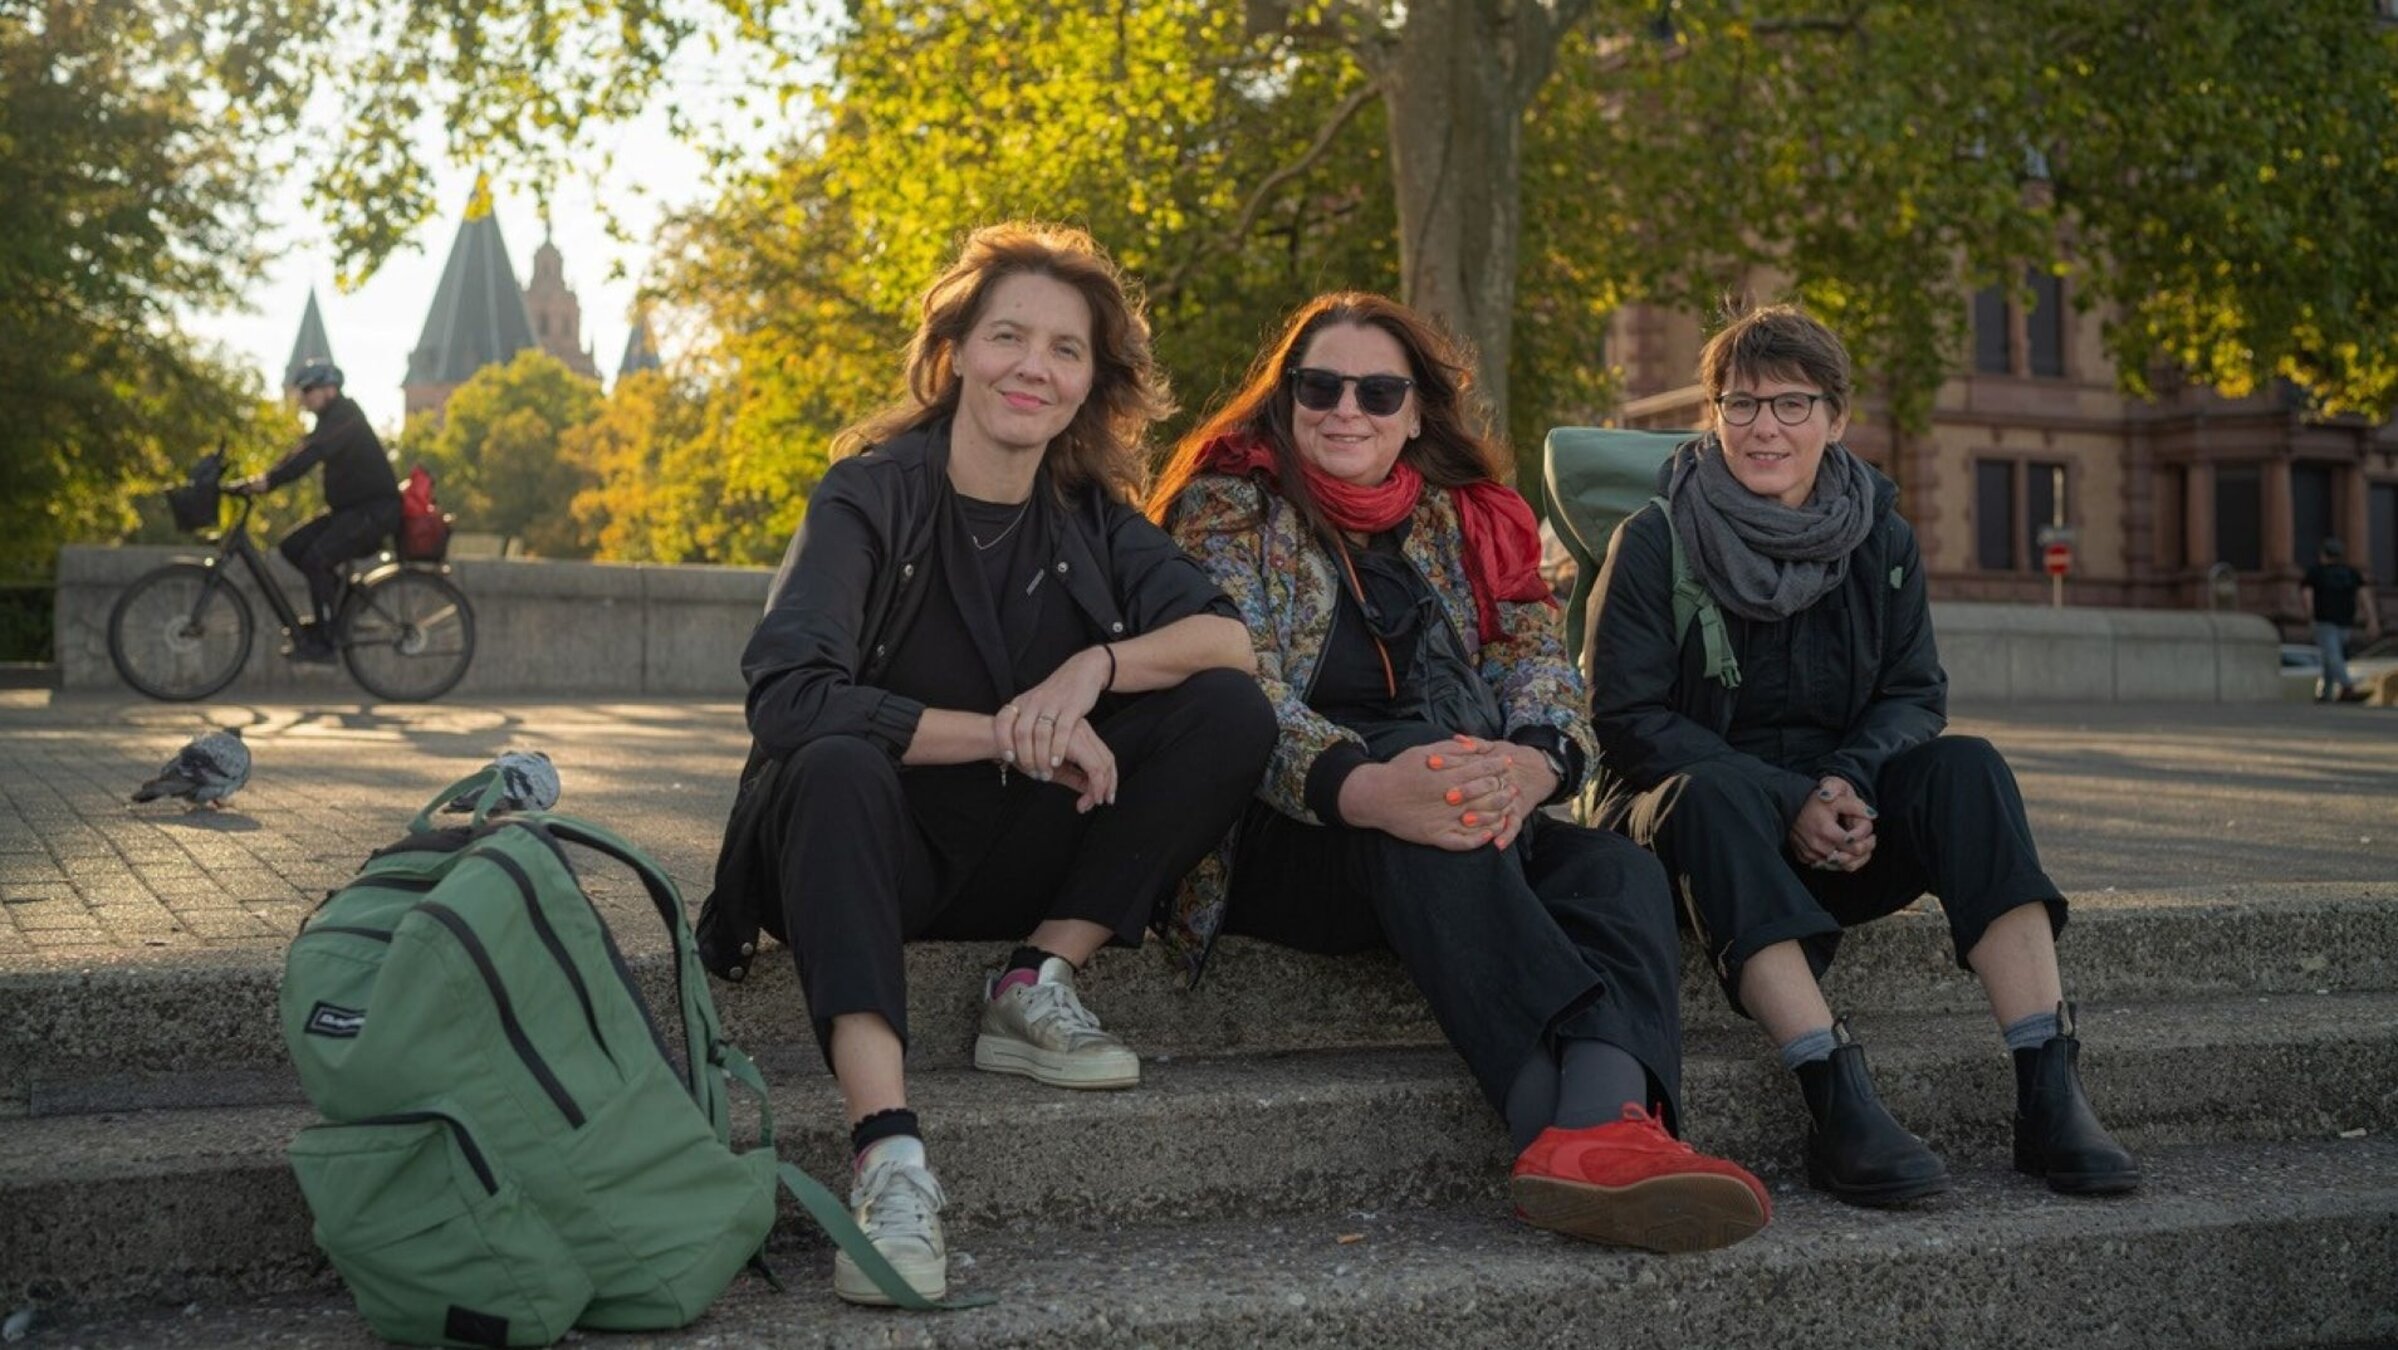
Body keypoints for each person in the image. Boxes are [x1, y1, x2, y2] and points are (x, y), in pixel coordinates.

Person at [694, 223, 1274, 1306]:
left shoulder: (1090, 517)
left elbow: (1229, 641)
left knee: (1228, 711)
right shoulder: (868, 494)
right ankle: (888, 1157)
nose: (1033, 367)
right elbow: (789, 696)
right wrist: (1010, 731)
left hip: (1016, 854)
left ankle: (1032, 979)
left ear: (1090, 381)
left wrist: (1092, 671)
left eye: (1065, 349)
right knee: (832, 762)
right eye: (1008, 336)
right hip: (859, 852)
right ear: (955, 350)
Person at [1151, 293, 1771, 1255]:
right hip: (1293, 826)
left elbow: (1534, 661)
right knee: (1433, 798)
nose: (1346, 408)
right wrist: (1368, 784)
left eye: (1377, 391)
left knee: (1618, 871)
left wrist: (1534, 762)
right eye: (1320, 387)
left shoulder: (1462, 518)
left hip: (1467, 801)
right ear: (1286, 399)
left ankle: (1604, 1126)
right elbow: (1236, 689)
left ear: (1414, 413)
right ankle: (1561, 1128)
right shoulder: (1227, 508)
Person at [1581, 303, 2139, 1208]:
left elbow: (1914, 693)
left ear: (1837, 419)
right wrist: (1789, 799)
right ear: (1714, 417)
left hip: (1843, 826)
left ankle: (2048, 1084)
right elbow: (1628, 720)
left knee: (1969, 770)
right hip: (1692, 839)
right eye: (1740, 404)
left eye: (1792, 404)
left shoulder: (1882, 537)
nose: (1764, 427)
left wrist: (1846, 784)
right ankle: (1834, 1093)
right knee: (1710, 794)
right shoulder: (1656, 538)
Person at [227, 361, 401, 662]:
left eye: (308, 390)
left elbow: (313, 454)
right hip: (350, 511)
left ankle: (326, 641)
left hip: (374, 512)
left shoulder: (346, 416)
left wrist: (270, 482)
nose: (304, 397)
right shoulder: (328, 422)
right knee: (292, 546)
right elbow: (300, 451)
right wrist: (266, 477)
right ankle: (345, 607)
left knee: (317, 559)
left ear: (330, 389)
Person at [2300, 538, 2381, 703]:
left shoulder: (2316, 572)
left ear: (2323, 554)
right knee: (2331, 655)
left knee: (2332, 656)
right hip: (2346, 622)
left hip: (2324, 620)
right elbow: (2365, 597)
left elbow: (2307, 595)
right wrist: (2372, 619)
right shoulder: (2351, 573)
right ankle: (2326, 693)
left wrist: (2309, 616)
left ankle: (2347, 687)